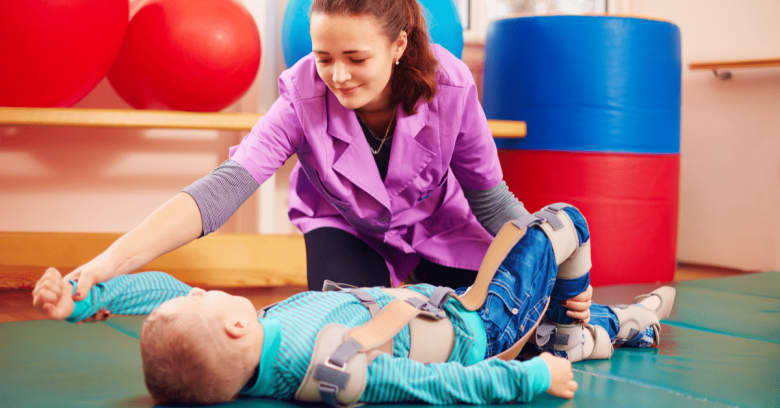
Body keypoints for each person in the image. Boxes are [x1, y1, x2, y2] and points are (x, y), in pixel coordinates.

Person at [62, 0, 560, 302]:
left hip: (439, 224)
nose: (337, 76)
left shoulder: (450, 85)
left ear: (399, 45)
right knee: (343, 328)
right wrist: (106, 265)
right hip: (344, 227)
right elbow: (222, 191)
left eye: (356, 58)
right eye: (324, 57)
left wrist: (553, 267)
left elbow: (491, 202)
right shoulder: (301, 96)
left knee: (513, 305)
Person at [32, 204, 676, 406]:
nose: (195, 289)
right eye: (206, 297)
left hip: (445, 307)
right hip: (480, 323)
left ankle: (608, 331)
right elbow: (440, 387)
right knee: (565, 220)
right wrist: (529, 380)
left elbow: (167, 300)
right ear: (231, 324)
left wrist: (95, 293)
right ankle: (567, 333)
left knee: (590, 333)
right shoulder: (336, 367)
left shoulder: (248, 355)